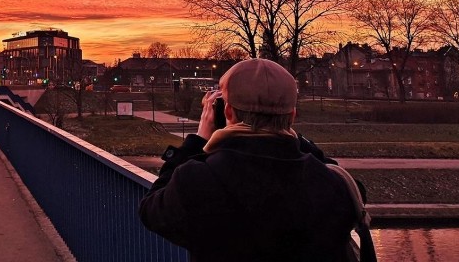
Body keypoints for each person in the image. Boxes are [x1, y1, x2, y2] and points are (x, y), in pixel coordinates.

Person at [138, 58, 360, 262]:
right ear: (292, 116)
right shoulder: (332, 187)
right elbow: (338, 176)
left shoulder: (198, 181)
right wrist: (290, 136)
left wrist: (197, 141)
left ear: (228, 111)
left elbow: (151, 210)